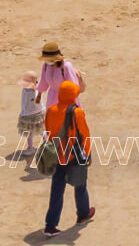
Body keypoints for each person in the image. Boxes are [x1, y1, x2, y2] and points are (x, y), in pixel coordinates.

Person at [41, 80, 94, 236]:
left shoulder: (50, 110)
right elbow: (84, 135)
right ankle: (83, 214)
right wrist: (88, 154)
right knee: (80, 185)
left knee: (57, 191)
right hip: (74, 155)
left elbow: (48, 131)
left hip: (57, 156)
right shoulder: (76, 112)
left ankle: (50, 226)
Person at [37, 42, 84, 111]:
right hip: (52, 99)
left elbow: (73, 86)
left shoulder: (66, 66)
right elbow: (43, 82)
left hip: (66, 100)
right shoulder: (46, 66)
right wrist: (39, 95)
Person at [15, 71, 46, 164]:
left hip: (29, 114)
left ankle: (30, 148)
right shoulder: (36, 90)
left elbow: (27, 104)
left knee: (29, 132)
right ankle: (48, 144)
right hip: (39, 113)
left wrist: (23, 114)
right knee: (41, 130)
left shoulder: (29, 91)